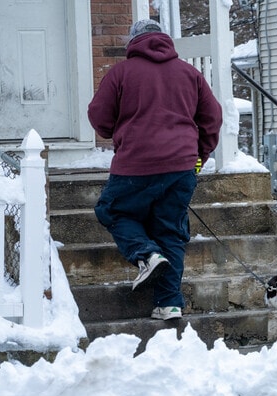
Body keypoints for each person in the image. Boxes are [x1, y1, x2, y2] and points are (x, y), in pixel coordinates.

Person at [88, 19, 223, 320]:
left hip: (135, 164)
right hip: (182, 166)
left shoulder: (120, 73)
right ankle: (170, 303)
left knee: (113, 211)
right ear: (165, 40)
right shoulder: (190, 74)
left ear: (133, 42)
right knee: (171, 233)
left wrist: (118, 130)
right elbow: (212, 118)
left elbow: (99, 117)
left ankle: (146, 254)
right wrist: (199, 154)